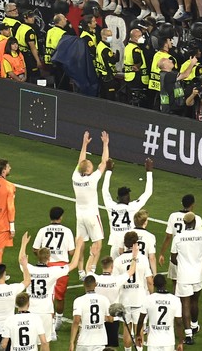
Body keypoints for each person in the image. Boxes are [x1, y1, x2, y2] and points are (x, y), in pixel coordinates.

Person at [23, 236, 85, 342]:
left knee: (30, 342)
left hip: (30, 310)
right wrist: (78, 246)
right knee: (45, 342)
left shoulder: (29, 268)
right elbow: (73, 264)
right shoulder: (53, 271)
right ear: (49, 258)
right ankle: (52, 331)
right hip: (46, 311)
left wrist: (23, 244)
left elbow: (21, 260)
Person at [33, 207, 76, 334]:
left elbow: (35, 249)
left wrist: (43, 256)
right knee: (60, 296)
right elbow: (72, 252)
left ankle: (50, 324)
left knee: (48, 295)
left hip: (47, 265)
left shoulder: (42, 230)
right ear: (60, 217)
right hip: (62, 267)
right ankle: (58, 319)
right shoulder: (67, 231)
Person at [170, 212, 202, 345]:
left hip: (183, 276)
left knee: (185, 304)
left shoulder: (178, 237)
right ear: (194, 223)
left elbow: (173, 258)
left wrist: (181, 263)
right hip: (197, 275)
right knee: (195, 302)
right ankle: (194, 326)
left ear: (185, 223)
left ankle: (188, 336)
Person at [73, 130, 110, 276]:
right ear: (88, 169)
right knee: (98, 242)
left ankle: (81, 270)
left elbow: (80, 162)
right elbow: (104, 162)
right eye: (89, 164)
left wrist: (84, 144)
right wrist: (105, 144)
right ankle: (92, 268)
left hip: (79, 215)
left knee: (80, 242)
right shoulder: (92, 178)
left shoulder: (75, 177)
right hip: (91, 215)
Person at [102, 158, 153, 257]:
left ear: (117, 198)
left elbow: (104, 191)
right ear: (129, 198)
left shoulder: (110, 206)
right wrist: (149, 172)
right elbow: (148, 192)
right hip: (127, 245)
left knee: (115, 270)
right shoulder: (132, 207)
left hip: (115, 246)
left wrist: (108, 171)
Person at [113, 231, 154, 349]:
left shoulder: (118, 260)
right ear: (136, 243)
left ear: (125, 244)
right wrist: (152, 295)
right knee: (139, 327)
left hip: (124, 298)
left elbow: (115, 282)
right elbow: (149, 281)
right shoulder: (142, 258)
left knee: (127, 327)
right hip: (139, 298)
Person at [158, 194, 202, 290]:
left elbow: (168, 236)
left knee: (176, 284)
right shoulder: (197, 219)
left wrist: (161, 253)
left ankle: (177, 302)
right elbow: (200, 239)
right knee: (191, 286)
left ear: (182, 203)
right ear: (193, 205)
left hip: (176, 254)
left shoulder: (173, 216)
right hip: (190, 256)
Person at [135, 274, 184, 351]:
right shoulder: (175, 300)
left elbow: (141, 320)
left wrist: (138, 334)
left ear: (154, 285)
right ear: (165, 283)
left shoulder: (148, 299)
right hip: (168, 342)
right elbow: (179, 322)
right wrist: (181, 341)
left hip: (153, 342)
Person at [69, 274, 112, 351]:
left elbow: (76, 321)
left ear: (84, 285)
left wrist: (72, 342)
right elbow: (111, 319)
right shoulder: (104, 299)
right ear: (95, 284)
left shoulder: (79, 300)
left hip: (84, 342)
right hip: (100, 341)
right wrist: (101, 316)